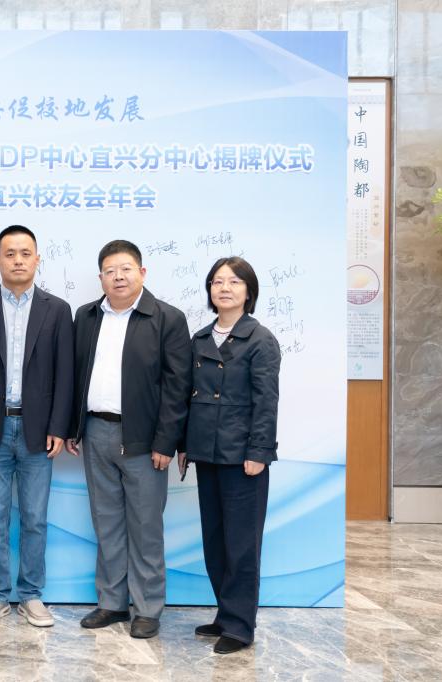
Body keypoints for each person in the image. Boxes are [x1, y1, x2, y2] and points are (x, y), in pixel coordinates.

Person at [66, 240, 191, 639]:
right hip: (95, 431)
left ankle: (148, 608)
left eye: (125, 269)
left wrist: (166, 442)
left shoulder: (167, 318)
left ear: (142, 272)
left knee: (145, 525)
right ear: (100, 277)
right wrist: (73, 427)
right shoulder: (86, 316)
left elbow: (177, 387)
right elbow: (75, 374)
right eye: (110, 271)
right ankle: (112, 603)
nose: (118, 277)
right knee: (106, 523)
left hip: (144, 439)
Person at [0, 225, 74, 628]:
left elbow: (66, 373)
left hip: (39, 431)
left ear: (37, 259)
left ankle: (31, 595)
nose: (18, 260)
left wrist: (59, 426)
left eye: (26, 253)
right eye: (10, 254)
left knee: (35, 518)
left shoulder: (57, 310)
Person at [178, 256, 280, 654]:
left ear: (248, 291)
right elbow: (189, 397)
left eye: (234, 282)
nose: (224, 288)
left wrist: (259, 451)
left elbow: (266, 402)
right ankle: (225, 613)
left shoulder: (260, 339)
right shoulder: (201, 338)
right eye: (217, 281)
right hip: (207, 453)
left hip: (243, 457)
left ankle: (240, 626)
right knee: (216, 541)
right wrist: (185, 444)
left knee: (242, 544)